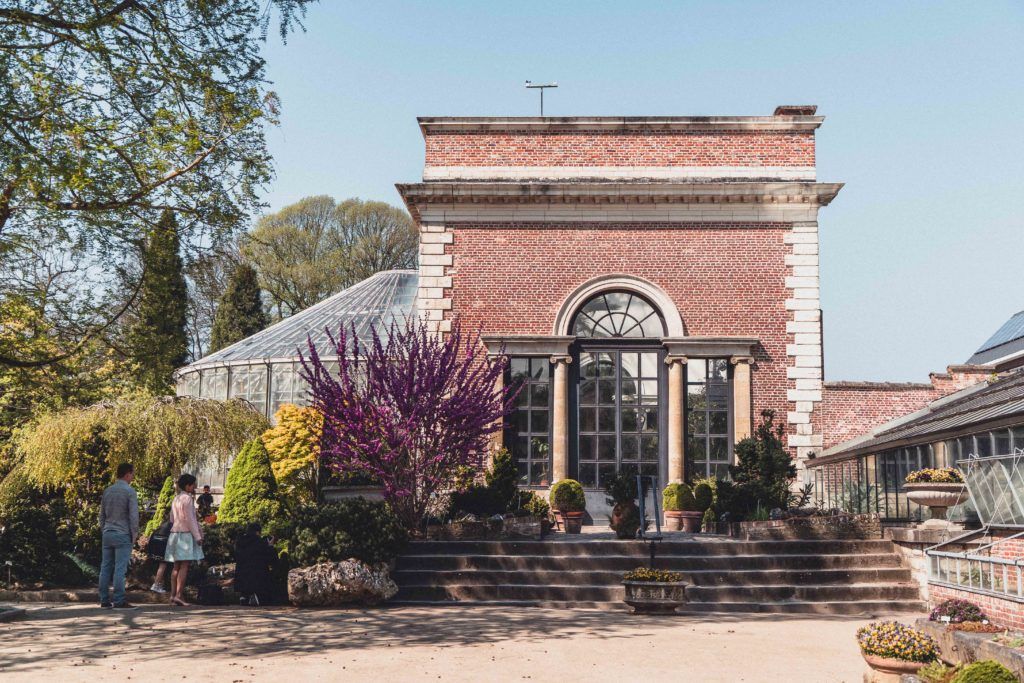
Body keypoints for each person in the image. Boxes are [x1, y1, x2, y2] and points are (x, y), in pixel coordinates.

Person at [98, 463, 140, 609]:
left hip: (108, 533)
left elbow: (101, 516)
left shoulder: (107, 491)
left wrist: (105, 529)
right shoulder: (130, 491)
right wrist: (134, 534)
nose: (133, 477)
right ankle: (119, 600)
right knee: (120, 569)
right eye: (132, 474)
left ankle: (104, 600)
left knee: (105, 567)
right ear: (127, 474)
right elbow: (134, 516)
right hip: (123, 533)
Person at [165, 473, 204, 606]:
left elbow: (171, 518)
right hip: (185, 535)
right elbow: (190, 519)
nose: (195, 487)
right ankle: (179, 595)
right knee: (184, 566)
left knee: (176, 566)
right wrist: (198, 536)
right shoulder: (187, 499)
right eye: (193, 485)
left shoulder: (176, 499)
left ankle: (172, 595)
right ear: (188, 485)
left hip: (174, 533)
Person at [233, 523, 278, 606]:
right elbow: (270, 559)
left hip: (242, 576)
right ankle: (256, 596)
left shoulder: (239, 541)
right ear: (257, 532)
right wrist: (270, 546)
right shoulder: (260, 542)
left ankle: (244, 596)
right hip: (257, 576)